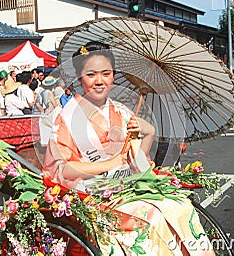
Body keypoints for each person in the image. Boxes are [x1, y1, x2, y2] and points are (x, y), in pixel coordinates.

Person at [44, 42, 213, 255]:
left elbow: (137, 162)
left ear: (113, 75)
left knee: (179, 204)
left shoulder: (121, 111)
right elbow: (62, 170)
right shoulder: (66, 117)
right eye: (91, 75)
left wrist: (149, 132)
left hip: (125, 186)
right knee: (151, 217)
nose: (99, 81)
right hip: (90, 195)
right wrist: (110, 163)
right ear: (79, 78)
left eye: (106, 73)